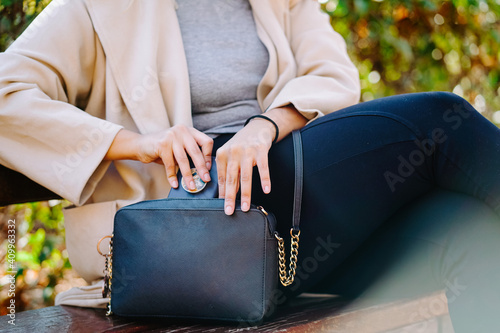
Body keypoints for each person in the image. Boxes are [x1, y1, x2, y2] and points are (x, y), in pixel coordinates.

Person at [0, 0, 499, 331]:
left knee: (470, 235)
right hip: (196, 224)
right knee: (442, 119)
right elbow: (6, 93)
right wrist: (136, 143)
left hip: (294, 224)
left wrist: (264, 125)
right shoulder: (97, 6)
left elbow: (333, 73)